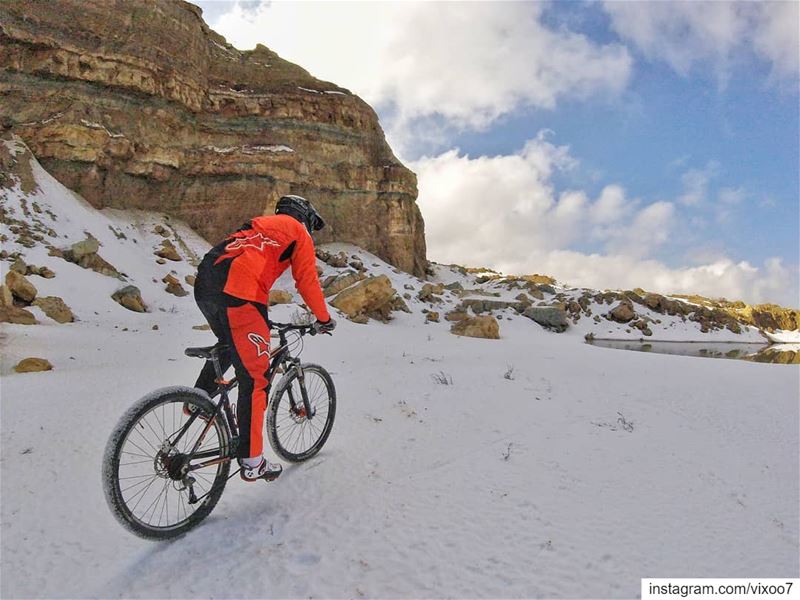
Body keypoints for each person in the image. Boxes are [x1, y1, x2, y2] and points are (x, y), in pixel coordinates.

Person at [191, 195, 336, 482]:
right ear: (304, 216)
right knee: (255, 379)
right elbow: (306, 280)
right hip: (241, 294)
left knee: (233, 344)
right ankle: (252, 460)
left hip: (205, 284)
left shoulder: (257, 224)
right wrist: (323, 318)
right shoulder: (299, 233)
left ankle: (199, 398)